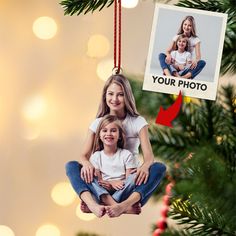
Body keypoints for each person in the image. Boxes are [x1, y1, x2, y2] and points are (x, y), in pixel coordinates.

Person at [66, 74, 166, 218]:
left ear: (127, 97)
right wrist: (87, 164)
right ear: (105, 95)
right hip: (102, 185)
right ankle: (101, 204)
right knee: (72, 166)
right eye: (110, 94)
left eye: (120, 95)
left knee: (159, 168)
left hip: (127, 186)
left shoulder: (137, 122)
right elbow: (83, 155)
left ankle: (120, 205)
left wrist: (144, 167)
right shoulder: (98, 123)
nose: (114, 99)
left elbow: (149, 157)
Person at [88, 114, 138, 211]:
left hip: (121, 190)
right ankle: (114, 204)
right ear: (99, 135)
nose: (109, 134)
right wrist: (111, 183)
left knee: (135, 176)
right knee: (87, 176)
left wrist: (117, 185)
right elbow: (99, 182)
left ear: (119, 135)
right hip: (103, 192)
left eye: (113, 130)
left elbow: (129, 180)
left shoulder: (126, 154)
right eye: (105, 130)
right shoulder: (96, 156)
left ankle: (110, 203)